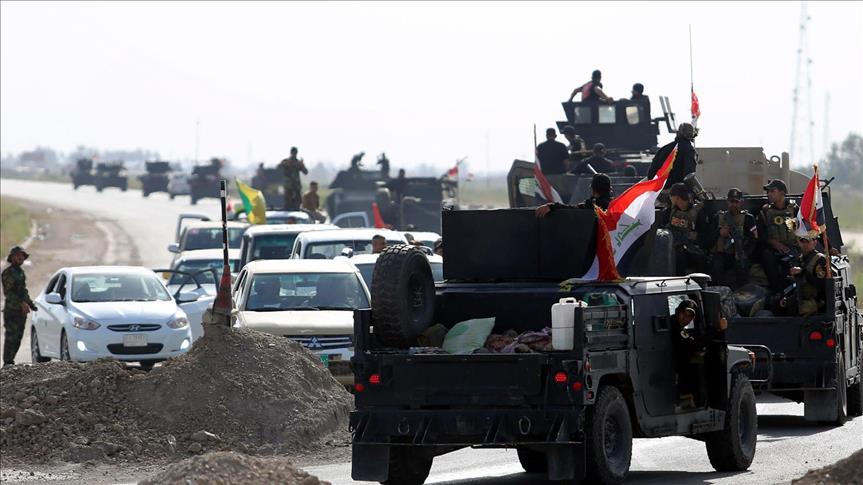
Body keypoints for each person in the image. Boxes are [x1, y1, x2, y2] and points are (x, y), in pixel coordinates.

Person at [757, 179, 799, 293]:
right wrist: (773, 242)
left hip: (792, 247)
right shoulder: (765, 211)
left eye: (772, 191)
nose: (769, 194)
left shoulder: (794, 209)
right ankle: (776, 292)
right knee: (768, 258)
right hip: (773, 249)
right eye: (768, 192)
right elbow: (760, 234)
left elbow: (804, 228)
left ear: (782, 193)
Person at [708, 188, 757, 287]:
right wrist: (719, 232)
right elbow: (708, 238)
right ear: (727, 202)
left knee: (742, 266)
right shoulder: (719, 217)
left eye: (736, 202)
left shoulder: (748, 218)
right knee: (716, 265)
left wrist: (745, 253)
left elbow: (753, 240)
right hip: (722, 254)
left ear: (741, 202)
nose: (733, 205)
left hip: (739, 253)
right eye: (731, 202)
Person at [2, 247, 37, 367]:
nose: (21, 258)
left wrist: (31, 304)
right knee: (11, 337)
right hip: (12, 310)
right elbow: (8, 293)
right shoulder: (8, 273)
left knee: (18, 337)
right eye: (18, 255)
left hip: (21, 311)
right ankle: (7, 362)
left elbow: (23, 291)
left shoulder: (20, 272)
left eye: (22, 256)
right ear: (12, 258)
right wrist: (21, 304)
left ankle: (11, 361)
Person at [665, 183, 709, 275]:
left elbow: (703, 235)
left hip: (693, 249)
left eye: (672, 196)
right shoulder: (672, 211)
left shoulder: (698, 212)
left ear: (677, 197)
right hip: (675, 247)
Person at [672, 299, 707, 407]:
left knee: (696, 361)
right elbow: (693, 344)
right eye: (683, 314)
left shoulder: (677, 326)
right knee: (694, 362)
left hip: (674, 360)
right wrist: (715, 331)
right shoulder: (675, 326)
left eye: (690, 316)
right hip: (670, 363)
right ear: (678, 312)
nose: (685, 318)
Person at [535, 173, 612, 218]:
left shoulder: (592, 206)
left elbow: (572, 209)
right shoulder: (614, 206)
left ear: (592, 189)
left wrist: (552, 206)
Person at [788, 233, 829, 316]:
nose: (805, 244)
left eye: (808, 241)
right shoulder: (800, 259)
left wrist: (803, 272)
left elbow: (821, 285)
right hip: (800, 296)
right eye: (802, 241)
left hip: (815, 300)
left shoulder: (820, 259)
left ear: (815, 242)